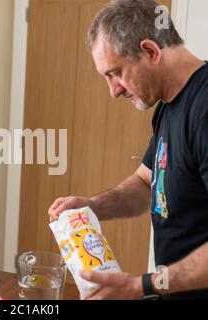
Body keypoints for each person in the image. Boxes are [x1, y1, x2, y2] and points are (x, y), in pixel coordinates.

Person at [49, 0, 208, 300]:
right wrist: (90, 207)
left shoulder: (204, 109)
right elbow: (145, 183)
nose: (114, 90)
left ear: (151, 51)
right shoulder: (169, 107)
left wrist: (141, 286)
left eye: (115, 73)